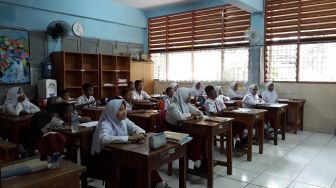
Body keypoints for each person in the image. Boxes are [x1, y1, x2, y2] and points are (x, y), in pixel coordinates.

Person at [91, 99, 165, 188]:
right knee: (138, 165)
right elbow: (104, 139)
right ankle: (157, 185)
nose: (124, 112)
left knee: (144, 162)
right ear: (112, 111)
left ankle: (157, 184)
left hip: (122, 153)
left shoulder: (124, 120)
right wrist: (129, 138)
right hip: (108, 157)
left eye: (124, 109)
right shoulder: (106, 124)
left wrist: (140, 135)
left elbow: (137, 129)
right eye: (120, 110)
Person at [165, 87, 203, 168]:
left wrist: (194, 114)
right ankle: (195, 158)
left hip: (184, 128)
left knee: (201, 135)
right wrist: (192, 114)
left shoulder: (186, 104)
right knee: (195, 137)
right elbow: (180, 117)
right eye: (189, 95)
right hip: (173, 131)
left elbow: (200, 112)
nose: (190, 97)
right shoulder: (172, 106)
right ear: (183, 95)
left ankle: (200, 157)